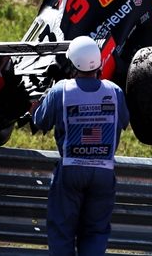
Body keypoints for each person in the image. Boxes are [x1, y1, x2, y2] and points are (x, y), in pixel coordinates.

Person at [31, 36, 130, 256]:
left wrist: (35, 107)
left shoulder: (61, 91)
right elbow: (124, 121)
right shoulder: (114, 91)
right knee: (95, 232)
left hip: (71, 169)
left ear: (72, 63)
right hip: (104, 172)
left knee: (62, 230)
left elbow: (40, 121)